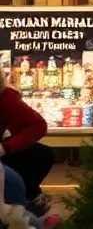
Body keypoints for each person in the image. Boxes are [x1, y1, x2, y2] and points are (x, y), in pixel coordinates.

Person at [0, 72, 54, 217]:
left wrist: (7, 147)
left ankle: (26, 206)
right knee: (12, 180)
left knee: (41, 154)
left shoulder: (6, 97)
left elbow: (38, 125)